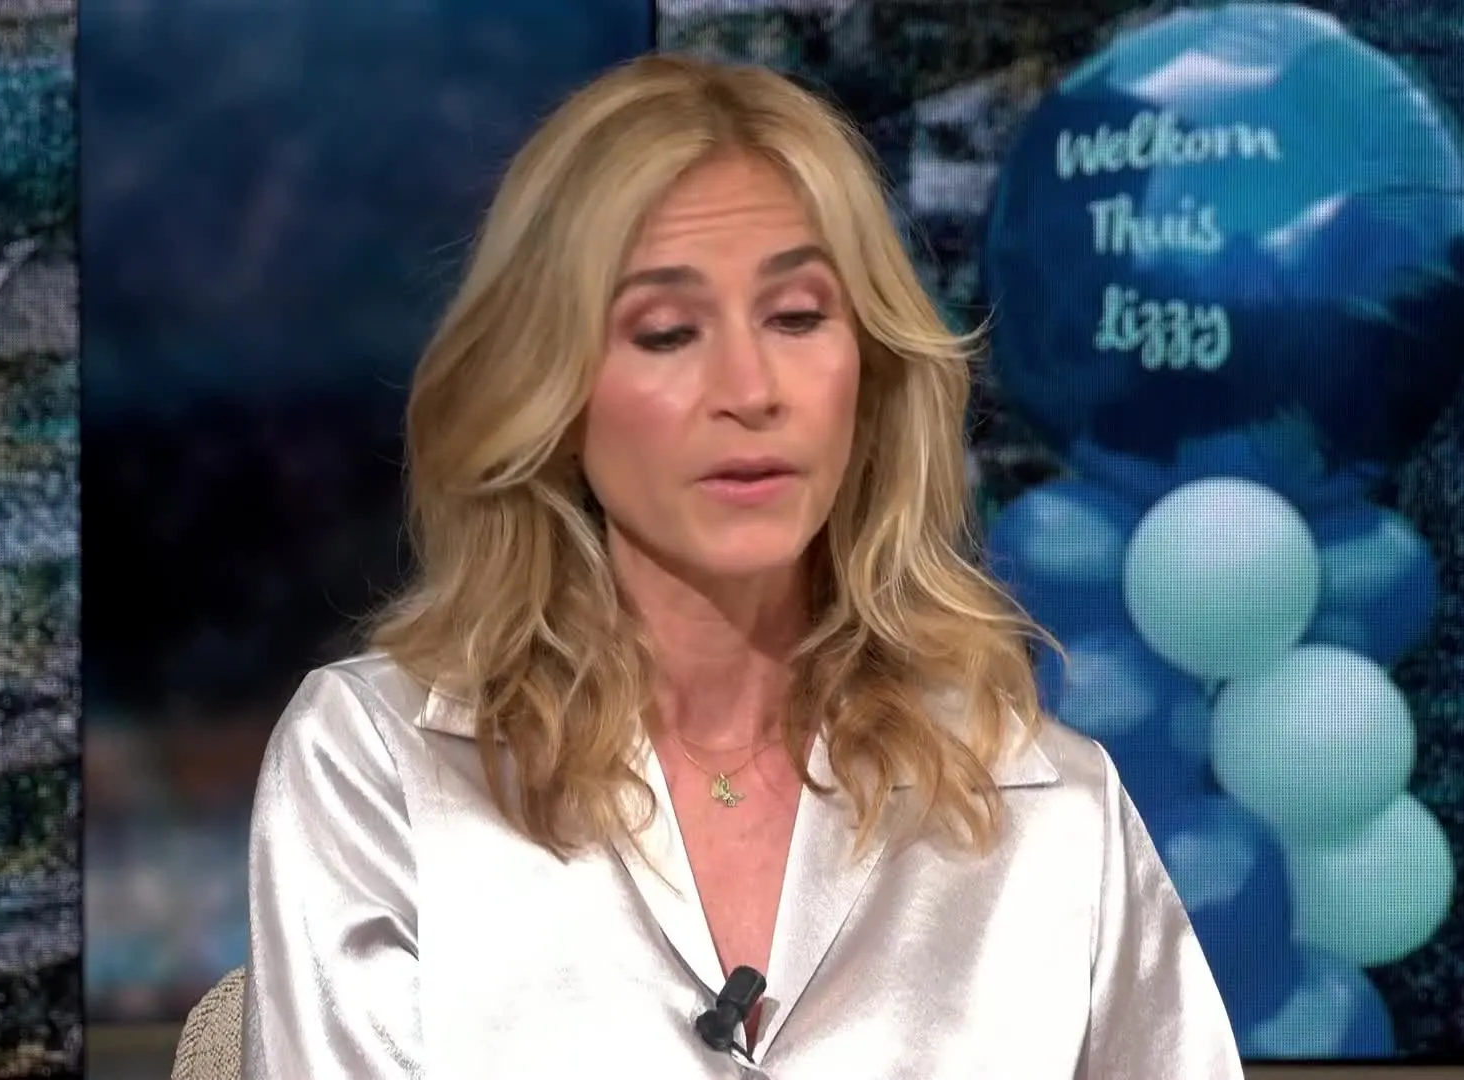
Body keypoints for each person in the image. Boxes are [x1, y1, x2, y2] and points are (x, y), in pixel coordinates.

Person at [243, 53, 1244, 1079]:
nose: (749, 388)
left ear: (869, 371)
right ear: (554, 391)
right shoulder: (378, 767)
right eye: (667, 331)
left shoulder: (1048, 807)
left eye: (798, 316)